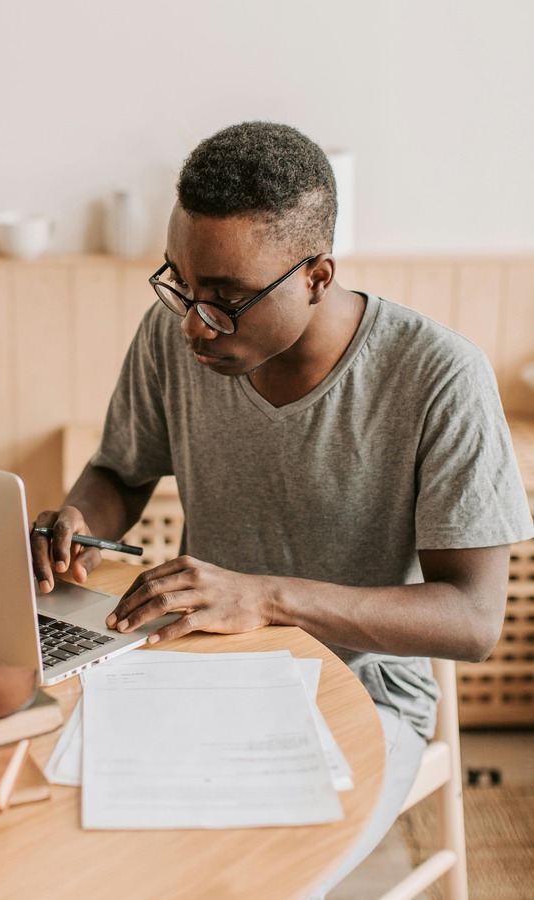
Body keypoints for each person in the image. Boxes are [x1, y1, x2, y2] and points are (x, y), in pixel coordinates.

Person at [31, 121, 534, 894]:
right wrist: (76, 521)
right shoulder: (178, 337)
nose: (195, 321)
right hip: (193, 660)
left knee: (255, 876)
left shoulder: (437, 377)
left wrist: (263, 596)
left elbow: (469, 620)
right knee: (55, 818)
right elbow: (118, 471)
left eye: (227, 298)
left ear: (317, 276)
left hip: (367, 693)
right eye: (180, 283)